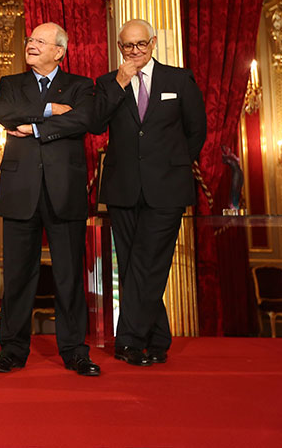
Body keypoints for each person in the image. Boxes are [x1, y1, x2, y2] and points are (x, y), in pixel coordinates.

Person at [90, 19, 207, 366]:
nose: (135, 51)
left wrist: (172, 165)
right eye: (128, 45)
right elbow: (95, 124)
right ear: (120, 47)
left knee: (149, 261)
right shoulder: (108, 83)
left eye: (141, 44)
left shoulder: (179, 80)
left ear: (153, 43)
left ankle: (128, 340)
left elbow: (196, 131)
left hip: (168, 188)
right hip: (122, 188)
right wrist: (120, 84)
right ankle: (158, 339)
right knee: (132, 265)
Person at [0, 22, 100, 377]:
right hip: (20, 191)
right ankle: (12, 350)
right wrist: (52, 109)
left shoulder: (81, 86)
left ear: (59, 51)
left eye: (40, 41)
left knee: (69, 276)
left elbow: (84, 120)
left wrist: (34, 125)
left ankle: (75, 351)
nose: (31, 44)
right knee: (18, 275)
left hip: (64, 190)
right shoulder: (11, 84)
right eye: (30, 39)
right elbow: (5, 114)